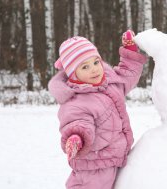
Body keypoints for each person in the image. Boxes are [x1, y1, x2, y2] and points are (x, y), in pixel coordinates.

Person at [48, 31, 147, 189]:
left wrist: (131, 51)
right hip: (94, 166)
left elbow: (128, 75)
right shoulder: (75, 100)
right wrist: (77, 139)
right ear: (73, 74)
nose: (94, 70)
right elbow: (77, 122)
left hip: (114, 158)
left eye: (96, 62)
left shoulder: (110, 82)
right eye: (85, 67)